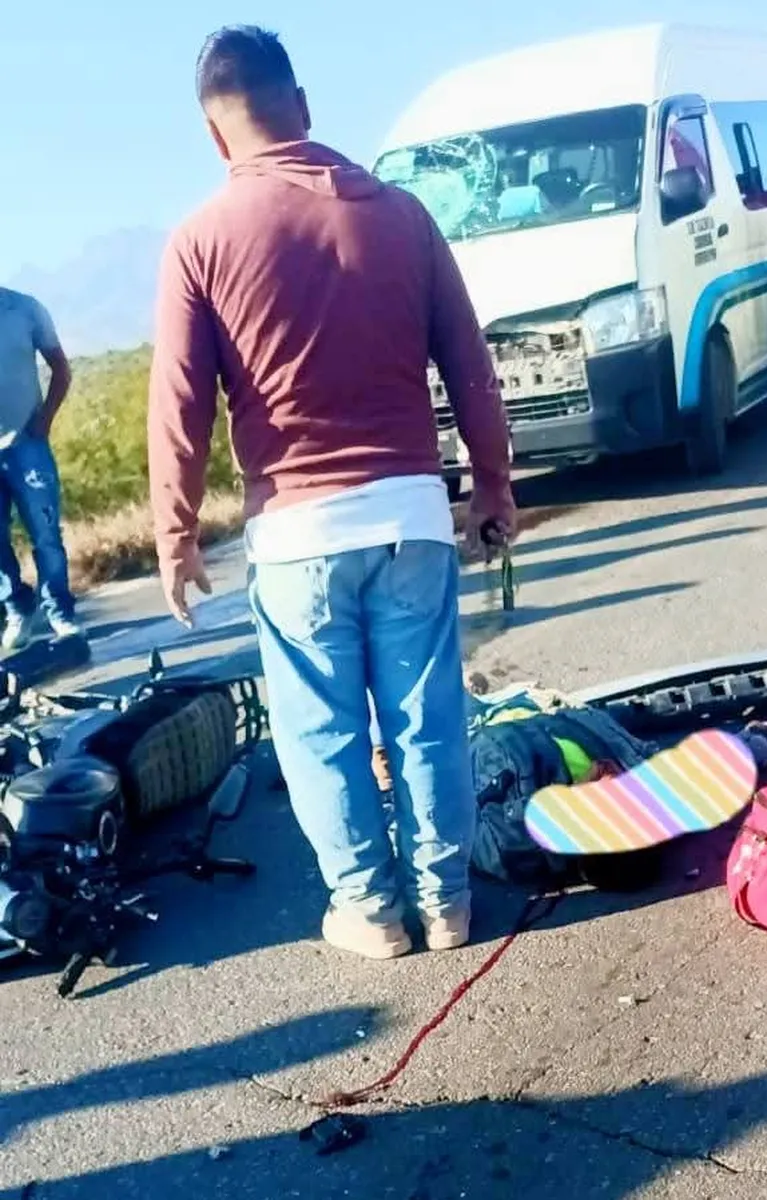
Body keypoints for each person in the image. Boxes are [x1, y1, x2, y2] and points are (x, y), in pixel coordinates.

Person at [147, 25, 516, 960]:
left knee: (323, 733)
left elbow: (181, 404)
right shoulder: (401, 214)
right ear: (302, 105)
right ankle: (446, 905)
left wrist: (175, 531)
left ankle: (371, 913)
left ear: (213, 133)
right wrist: (493, 487)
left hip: (296, 531)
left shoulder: (200, 239)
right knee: (427, 718)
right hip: (410, 516)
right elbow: (471, 366)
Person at [0, 286, 82, 650]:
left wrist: (45, 420)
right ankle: (17, 608)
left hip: (27, 446)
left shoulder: (25, 309)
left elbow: (60, 368)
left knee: (46, 537)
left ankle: (60, 614)